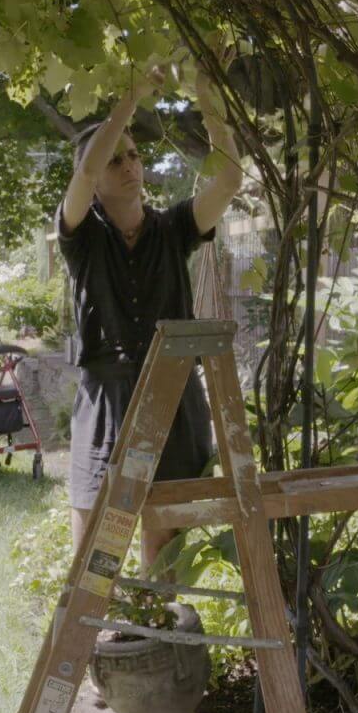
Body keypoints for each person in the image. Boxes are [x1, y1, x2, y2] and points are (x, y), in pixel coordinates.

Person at [57, 62, 243, 571]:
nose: (129, 165)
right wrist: (131, 98)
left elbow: (230, 177)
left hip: (172, 389)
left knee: (165, 536)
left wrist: (208, 101)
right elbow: (85, 172)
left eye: (135, 155)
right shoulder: (81, 237)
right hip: (108, 395)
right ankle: (97, 638)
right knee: (98, 537)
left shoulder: (175, 228)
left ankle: (156, 628)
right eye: (116, 160)